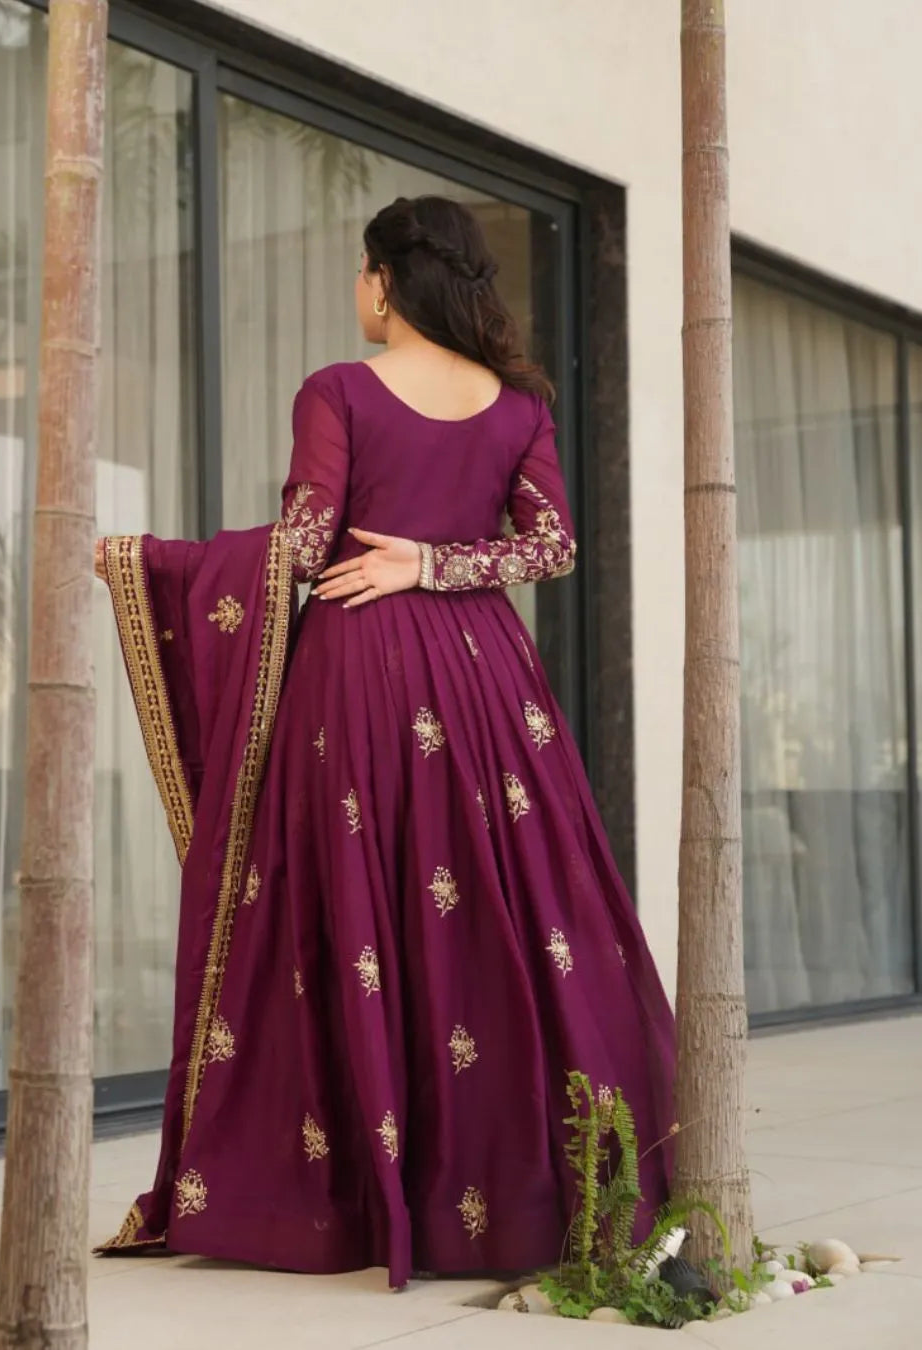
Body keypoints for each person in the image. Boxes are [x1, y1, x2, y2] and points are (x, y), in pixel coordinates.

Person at [94, 195, 675, 1290]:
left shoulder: (339, 390)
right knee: (498, 914)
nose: (356, 290)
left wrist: (156, 562)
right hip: (487, 683)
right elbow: (553, 545)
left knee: (355, 910)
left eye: (361, 270)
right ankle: (513, 1190)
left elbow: (304, 543)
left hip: (357, 677)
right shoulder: (516, 405)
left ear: (387, 280)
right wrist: (441, 563)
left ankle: (360, 1193)